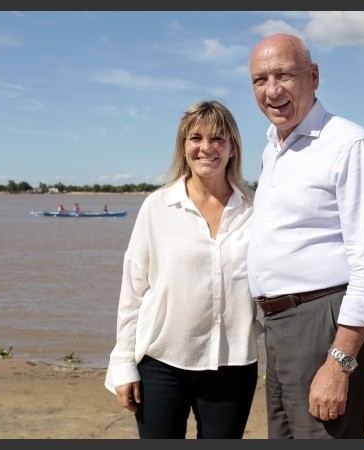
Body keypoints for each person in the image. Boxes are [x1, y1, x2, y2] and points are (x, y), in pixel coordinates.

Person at [246, 33, 364, 439]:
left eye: (283, 75)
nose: (271, 91)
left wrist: (339, 363)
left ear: (313, 76)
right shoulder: (274, 148)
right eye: (259, 80)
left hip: (323, 322)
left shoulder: (349, 145)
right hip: (279, 327)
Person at [104, 100, 261, 439]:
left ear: (233, 147)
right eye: (196, 138)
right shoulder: (157, 207)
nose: (207, 147)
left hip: (233, 364)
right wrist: (123, 365)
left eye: (219, 138)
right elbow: (132, 293)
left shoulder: (256, 210)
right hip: (161, 363)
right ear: (183, 147)